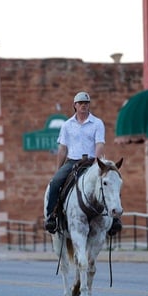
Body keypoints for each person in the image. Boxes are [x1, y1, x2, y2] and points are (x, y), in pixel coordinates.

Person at [44, 91, 121, 236]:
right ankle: (51, 216)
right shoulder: (67, 125)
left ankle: (115, 218)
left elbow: (99, 144)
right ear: (75, 105)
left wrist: (97, 163)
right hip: (73, 161)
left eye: (86, 103)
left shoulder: (97, 123)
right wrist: (58, 169)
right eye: (80, 103)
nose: (83, 105)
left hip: (93, 161)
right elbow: (62, 148)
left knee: (111, 180)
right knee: (55, 183)